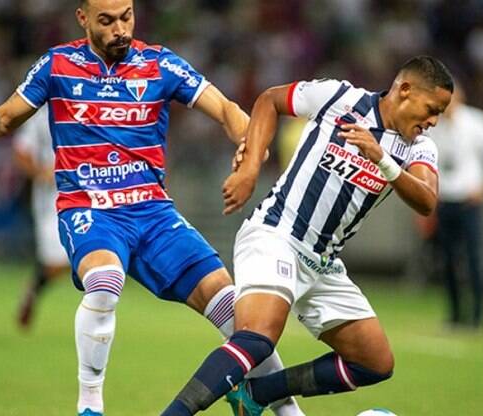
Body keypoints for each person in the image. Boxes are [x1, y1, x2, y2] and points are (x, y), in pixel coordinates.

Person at [0, 1, 302, 415]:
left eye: (126, 16)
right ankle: (90, 407)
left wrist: (249, 152)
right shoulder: (56, 65)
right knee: (106, 280)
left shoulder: (160, 64)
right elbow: (4, 120)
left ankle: (285, 411)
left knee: (239, 312)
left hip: (153, 213)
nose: (120, 29)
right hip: (89, 210)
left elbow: (225, 109)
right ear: (83, 18)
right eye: (107, 21)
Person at [162, 56, 454, 416]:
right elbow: (269, 100)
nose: (433, 121)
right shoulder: (340, 98)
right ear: (405, 89)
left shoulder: (419, 147)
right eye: (432, 109)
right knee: (257, 340)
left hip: (323, 263)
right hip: (277, 235)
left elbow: (427, 199)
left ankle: (257, 393)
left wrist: (382, 159)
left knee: (375, 363)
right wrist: (251, 167)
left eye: (439, 113)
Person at [430, 84, 483, 327]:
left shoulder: (477, 122)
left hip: (470, 201)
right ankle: (456, 315)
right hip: (445, 201)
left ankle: (477, 316)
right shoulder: (434, 125)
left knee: (473, 259)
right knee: (447, 260)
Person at [12, 106, 71, 329]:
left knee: (81, 258)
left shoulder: (90, 101)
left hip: (87, 192)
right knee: (56, 262)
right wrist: (40, 172)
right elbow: (21, 152)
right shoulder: (40, 115)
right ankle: (33, 289)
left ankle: (98, 312)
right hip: (51, 198)